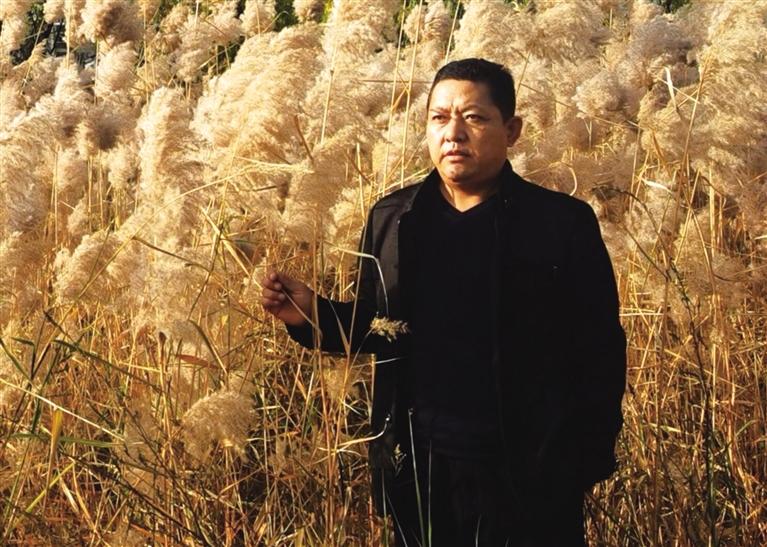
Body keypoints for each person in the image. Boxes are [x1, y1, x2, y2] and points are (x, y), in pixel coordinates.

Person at [261, 58, 627, 546]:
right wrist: (313, 315)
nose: (453, 133)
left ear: (511, 130)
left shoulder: (560, 224)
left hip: (528, 478)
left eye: (474, 117)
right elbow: (382, 326)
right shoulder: (394, 218)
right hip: (420, 473)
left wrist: (578, 464)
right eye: (439, 118)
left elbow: (600, 351)